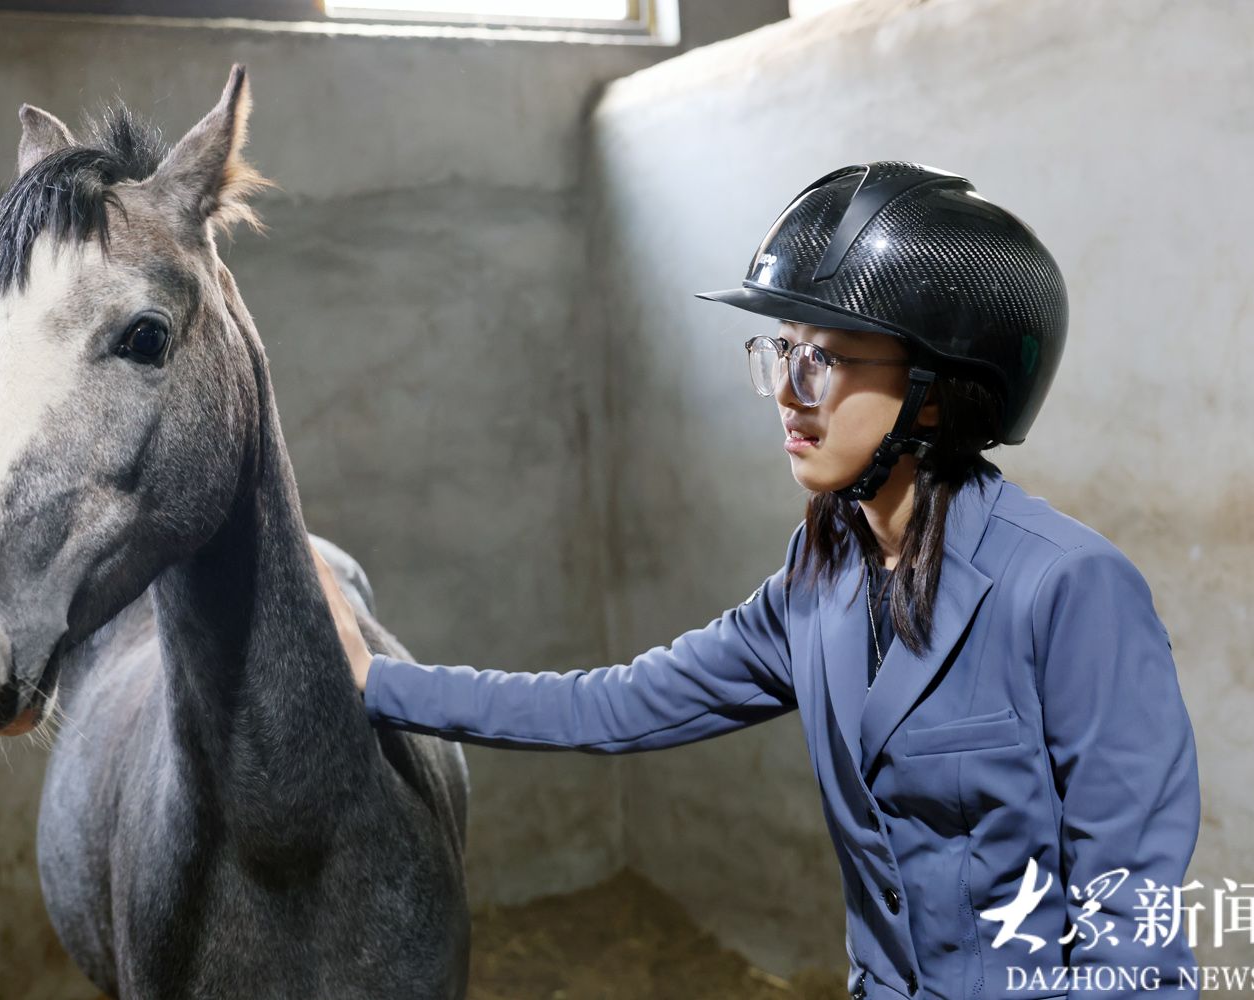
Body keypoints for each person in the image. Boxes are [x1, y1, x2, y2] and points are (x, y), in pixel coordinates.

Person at [313, 162, 1201, 1000]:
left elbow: (1133, 930)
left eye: (826, 359)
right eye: (782, 352)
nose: (787, 390)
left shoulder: (1072, 589)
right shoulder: (819, 581)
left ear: (935, 391)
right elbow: (614, 705)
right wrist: (377, 681)